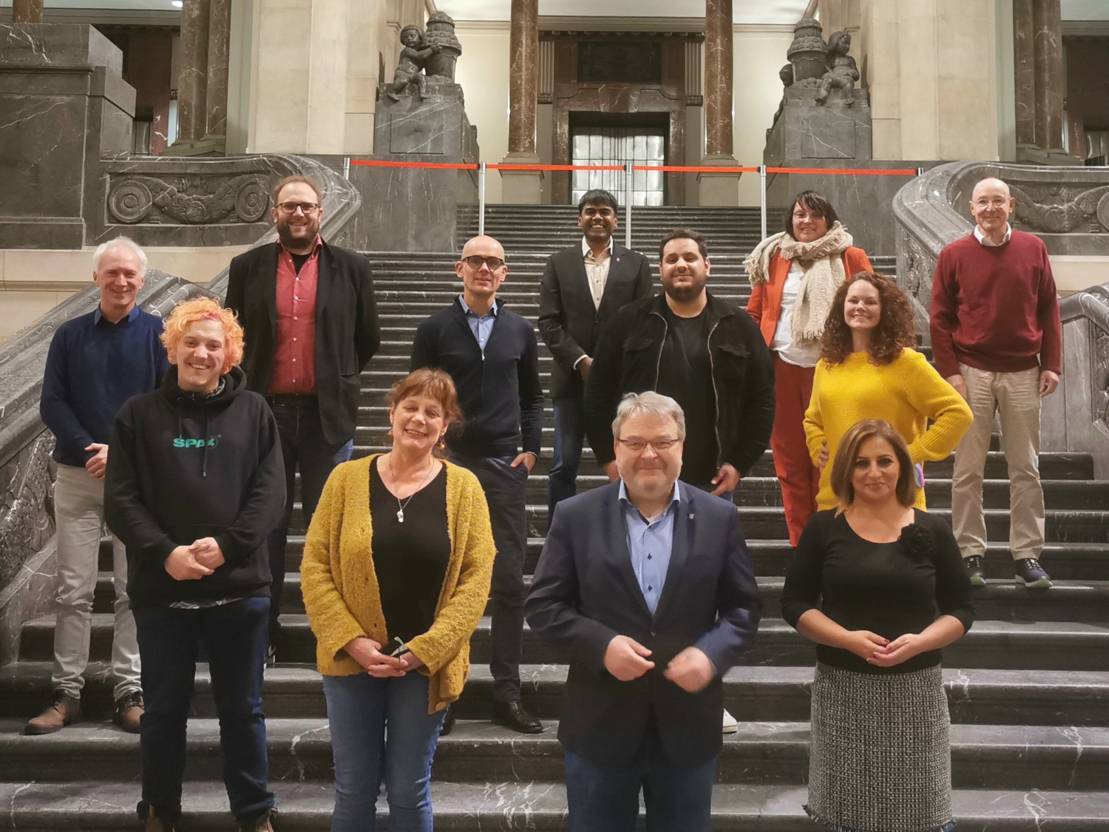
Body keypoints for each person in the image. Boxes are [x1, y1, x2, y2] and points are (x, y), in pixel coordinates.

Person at [526, 392, 761, 832]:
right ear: (615, 448)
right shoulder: (575, 516)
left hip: (687, 729)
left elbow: (743, 609)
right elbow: (543, 605)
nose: (649, 454)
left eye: (662, 442)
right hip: (599, 727)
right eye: (635, 443)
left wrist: (710, 655)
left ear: (681, 447)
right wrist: (602, 645)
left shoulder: (718, 517)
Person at [104, 297, 285, 832]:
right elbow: (121, 499)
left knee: (243, 711)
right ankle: (160, 809)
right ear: (173, 348)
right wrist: (167, 554)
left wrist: (229, 544)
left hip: (240, 589)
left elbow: (270, 494)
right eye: (191, 342)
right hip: (164, 591)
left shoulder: (255, 411)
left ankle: (254, 812)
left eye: (213, 344)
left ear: (229, 354)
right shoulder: (137, 414)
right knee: (162, 712)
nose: (201, 353)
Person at [301, 368, 495, 831]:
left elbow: (476, 577)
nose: (419, 419)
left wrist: (425, 650)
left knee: (409, 791)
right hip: (353, 664)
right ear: (391, 414)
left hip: (423, 667)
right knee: (354, 791)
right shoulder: (345, 479)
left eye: (433, 412)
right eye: (410, 407)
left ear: (445, 427)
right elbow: (314, 566)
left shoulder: (465, 488)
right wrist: (351, 640)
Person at [781, 419, 973, 832]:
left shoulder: (934, 529)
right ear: (846, 470)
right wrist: (847, 639)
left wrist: (920, 642)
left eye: (884, 461)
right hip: (842, 695)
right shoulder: (822, 528)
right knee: (845, 815)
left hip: (916, 697)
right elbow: (794, 604)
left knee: (920, 815)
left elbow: (961, 610)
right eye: (862, 463)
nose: (874, 472)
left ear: (902, 466)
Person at [225, 174, 380, 658]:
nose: (298, 214)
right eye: (289, 206)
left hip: (325, 416)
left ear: (320, 213)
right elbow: (233, 338)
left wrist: (337, 377)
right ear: (275, 212)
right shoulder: (247, 267)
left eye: (307, 207)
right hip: (263, 414)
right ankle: (262, 633)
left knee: (327, 529)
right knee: (264, 525)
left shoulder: (352, 267)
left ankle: (329, 633)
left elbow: (366, 338)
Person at [27, 237, 167, 736]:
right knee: (73, 591)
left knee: (135, 589)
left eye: (129, 273)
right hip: (77, 475)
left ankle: (128, 689)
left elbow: (165, 405)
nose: (121, 281)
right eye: (112, 273)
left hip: (138, 483)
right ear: (96, 278)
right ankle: (67, 692)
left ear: (142, 280)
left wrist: (122, 453)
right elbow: (52, 403)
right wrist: (91, 448)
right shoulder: (69, 335)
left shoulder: (158, 334)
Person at [410, 235, 544, 734]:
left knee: (509, 584)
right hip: (448, 467)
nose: (484, 269)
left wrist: (529, 451)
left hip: (504, 469)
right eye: (476, 261)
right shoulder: (434, 329)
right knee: (444, 581)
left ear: (505, 273)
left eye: (494, 262)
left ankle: (506, 693)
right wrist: (433, 451)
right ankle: (443, 690)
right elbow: (419, 398)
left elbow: (533, 396)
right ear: (459, 269)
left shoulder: (519, 330)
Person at [931, 176, 1062, 590]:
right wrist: (951, 372)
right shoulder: (953, 254)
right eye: (983, 202)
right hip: (971, 372)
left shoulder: (1033, 248)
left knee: (1026, 468)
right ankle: (970, 553)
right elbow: (940, 319)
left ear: (1012, 205)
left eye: (998, 201)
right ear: (971, 208)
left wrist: (1052, 364)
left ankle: (1027, 555)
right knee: (968, 469)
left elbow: (1048, 309)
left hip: (1024, 370)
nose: (990, 208)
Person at [585, 227, 774, 498]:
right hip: (641, 473)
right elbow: (597, 393)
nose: (681, 265)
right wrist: (608, 458)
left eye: (690, 257)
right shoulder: (627, 322)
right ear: (660, 269)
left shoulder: (740, 327)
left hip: (712, 479)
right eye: (671, 260)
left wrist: (740, 463)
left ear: (707, 266)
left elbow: (762, 400)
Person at [745, 190, 872, 546]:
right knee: (789, 464)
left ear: (828, 221)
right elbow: (755, 312)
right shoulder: (773, 256)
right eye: (800, 214)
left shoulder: (850, 256)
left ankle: (834, 540)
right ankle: (802, 544)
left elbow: (876, 305)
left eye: (814, 215)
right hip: (781, 369)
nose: (806, 222)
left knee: (830, 461)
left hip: (834, 370)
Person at [804, 272, 972, 511]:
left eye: (870, 302)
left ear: (886, 310)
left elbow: (958, 413)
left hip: (894, 503)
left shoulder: (907, 363)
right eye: (853, 301)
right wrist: (816, 443)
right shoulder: (826, 365)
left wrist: (908, 454)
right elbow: (813, 418)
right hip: (836, 499)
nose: (860, 307)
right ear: (842, 307)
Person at [538, 188, 652, 519]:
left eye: (605, 211)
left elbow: (643, 321)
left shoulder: (636, 264)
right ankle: (557, 537)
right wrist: (580, 360)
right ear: (580, 219)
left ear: (616, 220)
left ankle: (630, 526)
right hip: (571, 383)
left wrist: (610, 364)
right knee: (563, 464)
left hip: (620, 385)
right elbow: (548, 320)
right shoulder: (558, 263)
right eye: (590, 211)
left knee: (626, 462)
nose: (597, 217)